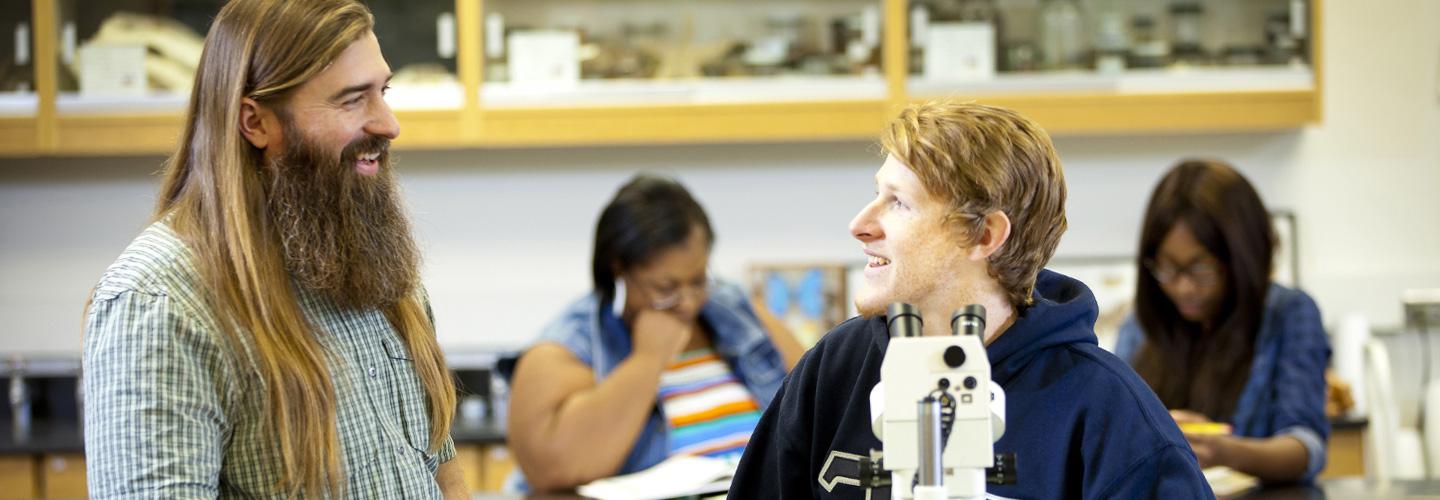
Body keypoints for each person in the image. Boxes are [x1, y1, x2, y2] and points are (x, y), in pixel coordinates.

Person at [729, 102, 1212, 498]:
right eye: (876, 194)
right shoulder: (836, 367)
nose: (860, 224)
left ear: (984, 235)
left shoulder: (1108, 413)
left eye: (899, 202)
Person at [82, 1, 464, 497]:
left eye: (382, 92)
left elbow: (440, 461)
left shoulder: (372, 254)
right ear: (255, 122)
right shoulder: (160, 304)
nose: (388, 124)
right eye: (352, 101)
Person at [505, 174, 806, 492]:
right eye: (667, 288)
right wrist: (647, 359)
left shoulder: (735, 310)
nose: (688, 303)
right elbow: (554, 470)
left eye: (698, 280)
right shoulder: (565, 348)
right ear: (619, 270)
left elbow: (810, 401)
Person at [1114, 159, 1330, 483]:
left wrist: (1224, 451)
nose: (1183, 287)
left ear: (1243, 259)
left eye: (1202, 269)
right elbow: (1109, 436)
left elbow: (1306, 448)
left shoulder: (1288, 313)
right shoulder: (1142, 325)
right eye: (1167, 268)